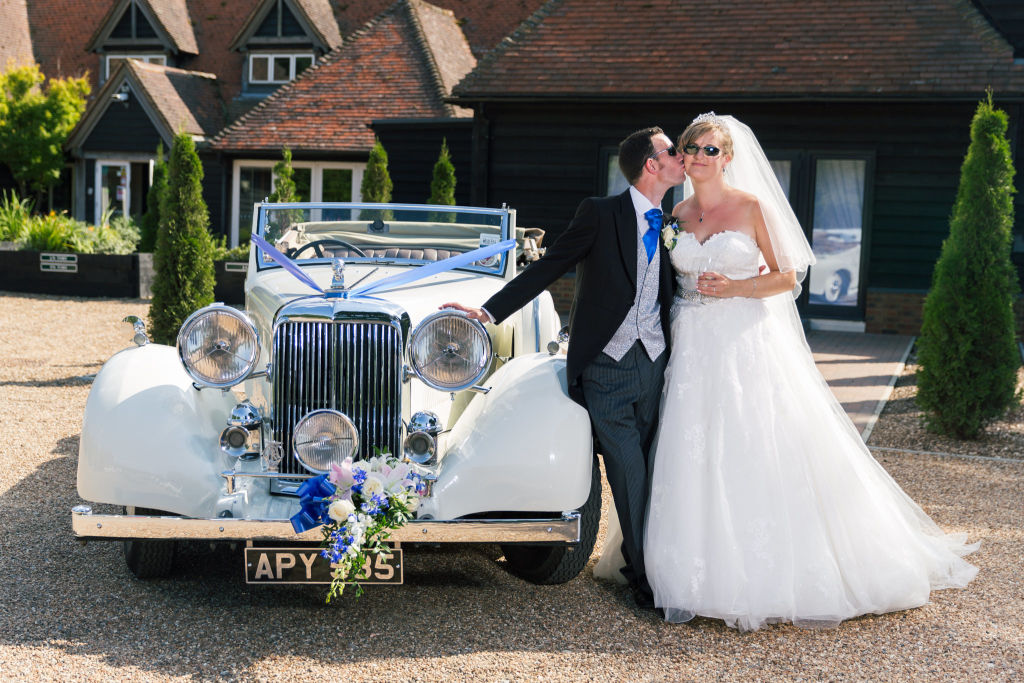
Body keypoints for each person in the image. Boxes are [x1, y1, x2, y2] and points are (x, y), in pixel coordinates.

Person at [641, 112, 978, 631]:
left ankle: (766, 572)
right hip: (692, 345)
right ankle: (689, 571)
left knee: (753, 440)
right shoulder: (676, 214)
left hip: (742, 338)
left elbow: (787, 276)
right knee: (692, 444)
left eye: (711, 150)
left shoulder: (751, 207)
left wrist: (737, 289)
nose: (699, 157)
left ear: (728, 159)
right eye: (692, 148)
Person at [443, 126, 686, 608]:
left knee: (662, 468)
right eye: (672, 150)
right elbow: (547, 266)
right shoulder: (600, 213)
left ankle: (669, 563)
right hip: (607, 368)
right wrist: (488, 313)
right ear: (651, 165)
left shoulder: (677, 220)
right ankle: (647, 582)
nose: (681, 156)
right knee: (628, 473)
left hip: (659, 364)